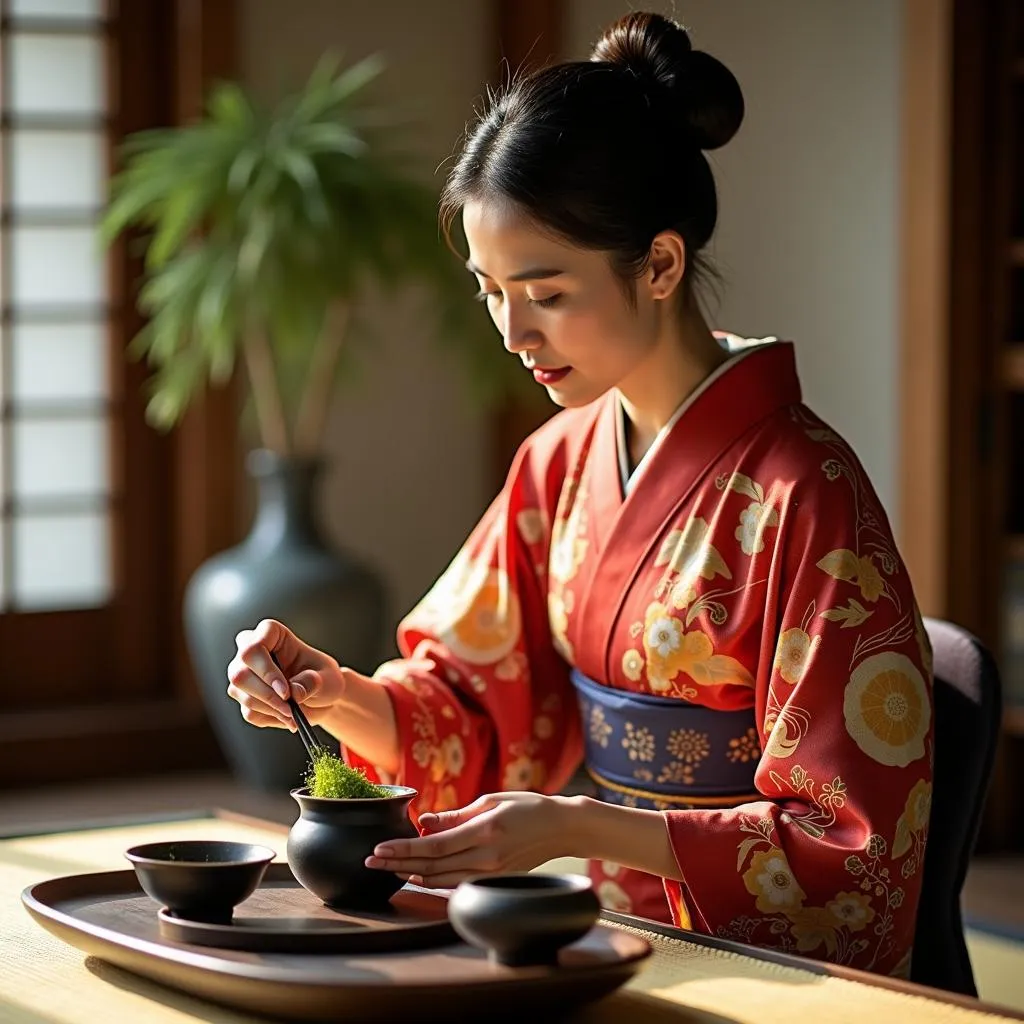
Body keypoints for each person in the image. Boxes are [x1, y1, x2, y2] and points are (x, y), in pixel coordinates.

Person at [227, 11, 933, 977]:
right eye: (489, 289)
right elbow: (472, 712)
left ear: (659, 265)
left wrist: (574, 822)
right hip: (577, 923)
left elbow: (850, 847)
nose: (512, 332)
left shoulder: (806, 494)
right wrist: (333, 693)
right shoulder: (558, 463)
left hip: (738, 947)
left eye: (546, 292)